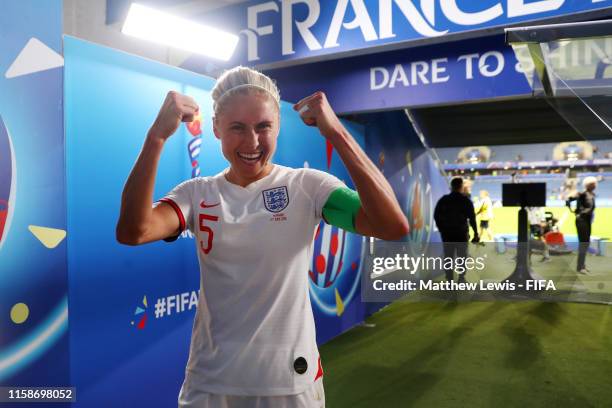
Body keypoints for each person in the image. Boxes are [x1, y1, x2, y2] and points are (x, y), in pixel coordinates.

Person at [115, 66, 409, 407]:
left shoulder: (307, 186)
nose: (252, 142)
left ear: (278, 127)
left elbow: (391, 226)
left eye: (263, 127)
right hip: (211, 382)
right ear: (216, 129)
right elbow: (134, 232)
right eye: (237, 128)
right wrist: (156, 137)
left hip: (289, 382)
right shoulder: (197, 193)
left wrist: (337, 133)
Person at [434, 177, 479, 283]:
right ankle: (461, 278)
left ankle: (449, 279)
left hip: (447, 234)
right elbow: (472, 218)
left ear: (452, 186)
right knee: (462, 256)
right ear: (461, 186)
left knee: (448, 256)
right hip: (461, 233)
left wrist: (441, 229)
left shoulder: (444, 199)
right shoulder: (465, 200)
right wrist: (476, 233)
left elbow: (436, 215)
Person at [566, 176, 597, 274]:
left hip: (586, 221)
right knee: (583, 243)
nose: (595, 185)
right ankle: (580, 267)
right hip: (582, 220)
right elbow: (569, 200)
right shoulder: (583, 194)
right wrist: (574, 211)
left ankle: (582, 265)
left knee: (585, 243)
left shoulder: (591, 194)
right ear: (588, 185)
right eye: (593, 183)